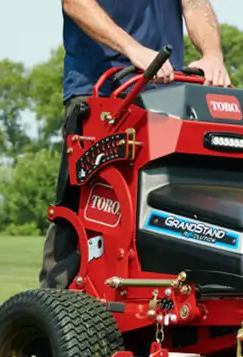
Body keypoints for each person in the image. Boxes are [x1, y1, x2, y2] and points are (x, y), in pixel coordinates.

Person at [39, 0, 231, 289]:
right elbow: (75, 3)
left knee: (170, 207)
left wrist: (213, 54)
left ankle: (157, 301)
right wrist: (134, 49)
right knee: (83, 208)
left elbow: (194, 4)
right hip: (101, 94)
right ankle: (52, 304)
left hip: (166, 99)